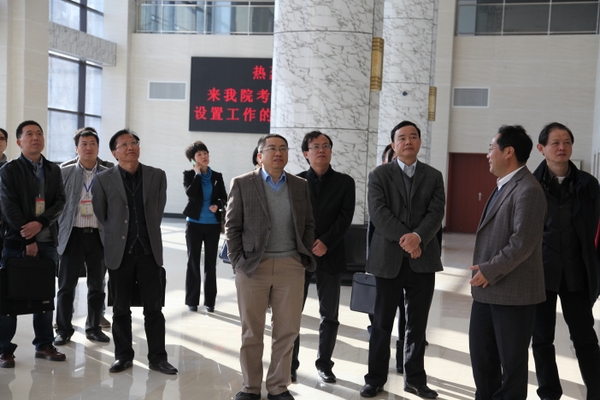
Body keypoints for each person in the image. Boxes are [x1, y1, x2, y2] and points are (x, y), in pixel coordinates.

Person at [225, 134, 315, 400]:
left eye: (283, 149)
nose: (278, 153)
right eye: (272, 148)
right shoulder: (242, 183)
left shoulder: (300, 185)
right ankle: (250, 387)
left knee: (287, 330)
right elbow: (232, 226)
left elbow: (308, 223)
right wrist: (239, 263)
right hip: (253, 267)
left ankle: (278, 386)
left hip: (291, 266)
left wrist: (302, 255)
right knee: (252, 330)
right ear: (259, 156)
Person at [361, 121, 445, 399]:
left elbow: (436, 213)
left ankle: (415, 379)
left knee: (417, 325)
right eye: (402, 137)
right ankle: (375, 379)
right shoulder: (379, 175)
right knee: (381, 323)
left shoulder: (434, 176)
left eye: (413, 137)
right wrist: (408, 240)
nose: (408, 141)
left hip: (423, 260)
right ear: (393, 144)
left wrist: (418, 237)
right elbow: (379, 213)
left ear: (420, 142)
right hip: (388, 260)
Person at [469, 125, 546, 399]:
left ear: (508, 152)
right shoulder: (504, 185)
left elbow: (522, 242)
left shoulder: (528, 189)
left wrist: (489, 270)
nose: (488, 154)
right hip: (487, 291)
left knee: (511, 369)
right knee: (483, 361)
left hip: (513, 294)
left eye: (491, 148)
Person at [91, 129, 177, 375]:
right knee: (120, 309)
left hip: (149, 252)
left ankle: (158, 358)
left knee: (154, 308)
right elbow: (101, 214)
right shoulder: (103, 179)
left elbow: (158, 210)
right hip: (120, 253)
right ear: (114, 153)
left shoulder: (156, 175)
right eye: (124, 144)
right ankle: (123, 356)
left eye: (134, 142)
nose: (131, 147)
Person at [531, 122, 600, 400]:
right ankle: (549, 393)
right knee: (541, 339)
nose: (562, 147)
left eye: (567, 142)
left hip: (577, 273)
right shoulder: (530, 184)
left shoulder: (589, 184)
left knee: (585, 338)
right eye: (555, 143)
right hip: (541, 274)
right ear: (541, 148)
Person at [0, 120, 66, 368]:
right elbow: (8, 207)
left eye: (39, 133)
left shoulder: (53, 169)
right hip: (15, 242)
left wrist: (41, 223)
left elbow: (60, 201)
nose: (35, 137)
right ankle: (4, 349)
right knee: (9, 298)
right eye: (29, 134)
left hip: (47, 242)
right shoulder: (8, 170)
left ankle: (44, 344)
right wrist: (29, 237)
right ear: (19, 142)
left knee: (45, 297)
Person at [291, 131, 355, 383]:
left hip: (331, 254)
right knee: (292, 313)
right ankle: (291, 364)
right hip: (300, 256)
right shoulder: (295, 181)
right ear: (306, 153)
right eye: (315, 146)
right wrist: (308, 243)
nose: (321, 150)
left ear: (331, 151)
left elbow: (345, 218)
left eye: (325, 145)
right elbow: (292, 218)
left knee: (329, 315)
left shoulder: (345, 182)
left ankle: (325, 364)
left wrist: (326, 241)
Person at [54, 128, 111, 347]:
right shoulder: (64, 172)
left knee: (97, 286)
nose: (88, 148)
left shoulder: (108, 173)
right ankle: (63, 329)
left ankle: (94, 328)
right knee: (66, 286)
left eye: (92, 144)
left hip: (98, 236)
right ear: (76, 148)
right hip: (72, 235)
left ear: (98, 147)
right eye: (84, 144)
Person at [183, 140, 227, 312]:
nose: (204, 156)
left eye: (205, 153)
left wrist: (217, 204)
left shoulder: (217, 176)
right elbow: (191, 194)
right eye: (199, 154)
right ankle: (192, 301)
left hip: (213, 225)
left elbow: (224, 197)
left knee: (210, 263)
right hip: (194, 224)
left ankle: (210, 302)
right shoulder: (189, 175)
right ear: (193, 160)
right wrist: (197, 175)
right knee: (193, 262)